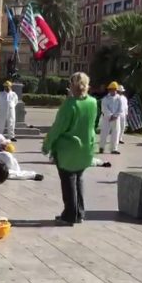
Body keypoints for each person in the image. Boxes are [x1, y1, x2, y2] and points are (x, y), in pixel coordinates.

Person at [42, 72, 97, 226]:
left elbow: (57, 128)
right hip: (86, 148)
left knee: (68, 181)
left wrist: (47, 145)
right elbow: (93, 125)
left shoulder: (69, 105)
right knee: (79, 179)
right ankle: (80, 213)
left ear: (72, 85)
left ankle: (69, 215)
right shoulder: (93, 102)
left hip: (68, 150)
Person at [99, 81, 122, 154]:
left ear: (116, 89)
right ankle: (101, 147)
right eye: (111, 89)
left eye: (114, 89)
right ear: (109, 90)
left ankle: (114, 149)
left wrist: (115, 116)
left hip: (116, 118)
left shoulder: (119, 98)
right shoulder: (105, 98)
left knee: (116, 133)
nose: (113, 90)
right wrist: (110, 115)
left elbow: (120, 108)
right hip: (106, 118)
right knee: (104, 133)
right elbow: (104, 108)